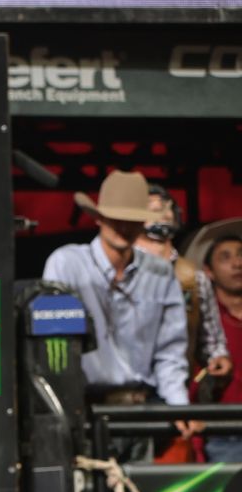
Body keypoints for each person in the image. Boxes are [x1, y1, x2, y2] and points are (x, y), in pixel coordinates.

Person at [43, 171, 193, 435]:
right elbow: (55, 344)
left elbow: (170, 351)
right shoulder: (67, 263)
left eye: (132, 220)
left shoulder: (160, 273)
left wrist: (178, 406)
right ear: (99, 218)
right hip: (83, 410)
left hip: (141, 410)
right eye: (116, 219)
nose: (124, 227)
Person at [134, 187, 225, 411]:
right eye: (153, 209)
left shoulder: (192, 277)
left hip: (174, 389)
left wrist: (218, 358)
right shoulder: (122, 269)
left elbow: (211, 339)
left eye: (167, 209)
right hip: (126, 390)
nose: (162, 214)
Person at [187, 217, 242, 464]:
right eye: (225, 257)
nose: (237, 263)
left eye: (241, 254)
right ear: (208, 271)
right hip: (222, 434)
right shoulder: (200, 319)